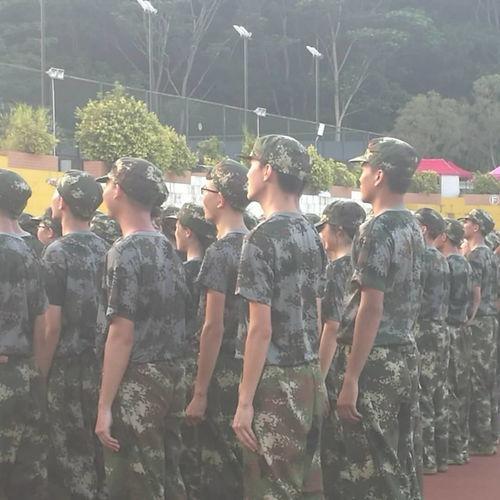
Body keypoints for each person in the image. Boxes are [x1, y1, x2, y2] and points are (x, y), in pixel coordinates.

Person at [326, 138, 424, 499]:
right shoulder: (411, 226)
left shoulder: (376, 229)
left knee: (369, 469)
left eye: (365, 168)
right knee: (399, 463)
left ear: (380, 175)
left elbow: (371, 306)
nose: (361, 176)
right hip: (402, 354)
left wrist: (351, 377)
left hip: (374, 360)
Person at [234, 135, 327, 499]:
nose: (248, 173)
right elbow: (316, 311)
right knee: (306, 485)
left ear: (268, 170)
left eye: (252, 165)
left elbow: (260, 329)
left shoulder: (261, 238)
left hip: (275, 381)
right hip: (308, 374)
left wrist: (245, 401)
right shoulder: (311, 234)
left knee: (271, 487)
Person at [95, 158, 188, 500]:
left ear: (118, 191)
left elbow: (121, 334)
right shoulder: (166, 247)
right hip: (172, 375)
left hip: (138, 382)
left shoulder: (124, 251)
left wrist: (104, 406)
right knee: (168, 477)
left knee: (135, 483)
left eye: (108, 183)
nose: (106, 190)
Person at [40, 170, 107, 499]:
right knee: (98, 456)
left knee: (69, 458)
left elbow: (51, 326)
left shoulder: (56, 253)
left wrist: (41, 375)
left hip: (66, 371)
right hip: (103, 368)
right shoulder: (108, 249)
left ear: (63, 203)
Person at [185, 159, 249, 499]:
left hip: (222, 371)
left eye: (206, 190)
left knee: (218, 467)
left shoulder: (220, 252)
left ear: (221, 198)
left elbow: (213, 326)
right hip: (252, 369)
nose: (203, 197)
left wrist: (199, 392)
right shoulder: (257, 243)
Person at [0, 169, 49, 499]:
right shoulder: (29, 252)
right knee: (24, 476)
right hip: (24, 373)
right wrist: (36, 373)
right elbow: (42, 323)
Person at [316, 200, 366, 497]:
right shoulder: (361, 265)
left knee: (334, 448)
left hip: (337, 365)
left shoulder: (335, 270)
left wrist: (319, 378)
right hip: (359, 359)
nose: (321, 234)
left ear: (336, 230)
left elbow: (331, 327)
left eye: (324, 228)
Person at [173, 202, 215, 499]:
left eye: (176, 226)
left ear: (188, 232)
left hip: (188, 363)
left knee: (188, 450)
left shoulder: (184, 273)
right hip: (217, 362)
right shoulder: (214, 267)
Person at [414, 208, 451, 474]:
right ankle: (442, 455)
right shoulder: (441, 258)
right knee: (439, 393)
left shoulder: (423, 258)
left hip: (424, 330)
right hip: (440, 328)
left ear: (424, 228)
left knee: (424, 394)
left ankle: (427, 458)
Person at [435, 218, 473, 465]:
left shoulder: (447, 264)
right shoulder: (464, 262)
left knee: (448, 390)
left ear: (445, 237)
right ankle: (460, 447)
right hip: (462, 328)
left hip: (448, 329)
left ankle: (451, 449)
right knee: (461, 389)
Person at [461, 208, 498, 456]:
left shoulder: (475, 256)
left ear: (476, 227)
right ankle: (491, 433)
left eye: (468, 221)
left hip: (479, 322)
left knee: (477, 381)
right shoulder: (491, 256)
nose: (464, 224)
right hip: (490, 320)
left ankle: (482, 439)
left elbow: (472, 292)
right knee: (488, 379)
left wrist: (468, 318)